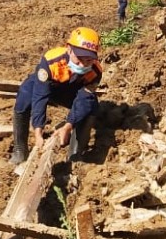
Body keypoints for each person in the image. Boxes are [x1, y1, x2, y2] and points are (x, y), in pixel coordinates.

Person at [9, 27, 103, 165]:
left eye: (88, 60)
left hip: (72, 91)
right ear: (69, 49)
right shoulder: (51, 60)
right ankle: (20, 150)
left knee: (90, 108)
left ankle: (75, 155)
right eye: (79, 59)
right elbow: (40, 96)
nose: (82, 64)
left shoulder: (95, 72)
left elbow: (82, 101)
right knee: (25, 94)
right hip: (49, 86)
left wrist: (68, 126)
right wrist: (38, 131)